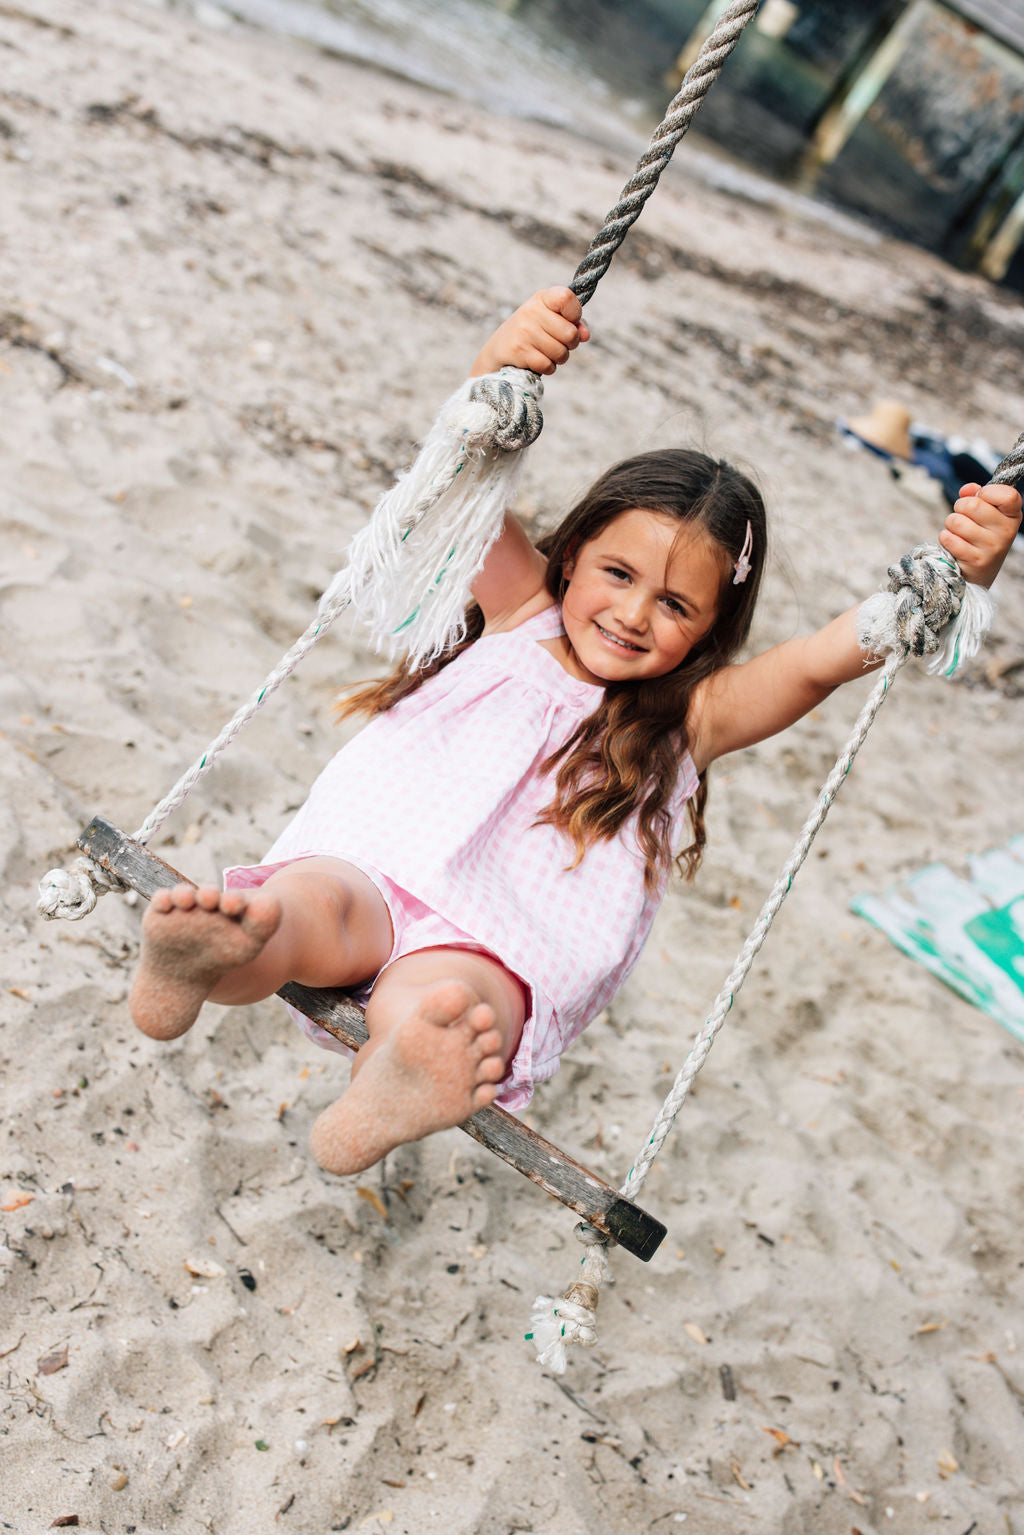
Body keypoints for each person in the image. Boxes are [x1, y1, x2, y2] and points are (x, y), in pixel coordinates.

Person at [128, 288, 1022, 1177]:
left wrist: (946, 579)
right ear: (576, 550)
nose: (633, 614)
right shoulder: (522, 610)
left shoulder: (695, 720)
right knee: (304, 908)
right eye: (617, 573)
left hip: (497, 946)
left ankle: (392, 1085)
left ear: (711, 629)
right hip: (375, 869)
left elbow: (818, 660)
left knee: (450, 1008)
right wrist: (495, 370)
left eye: (674, 604)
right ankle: (213, 955)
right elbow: (466, 473)